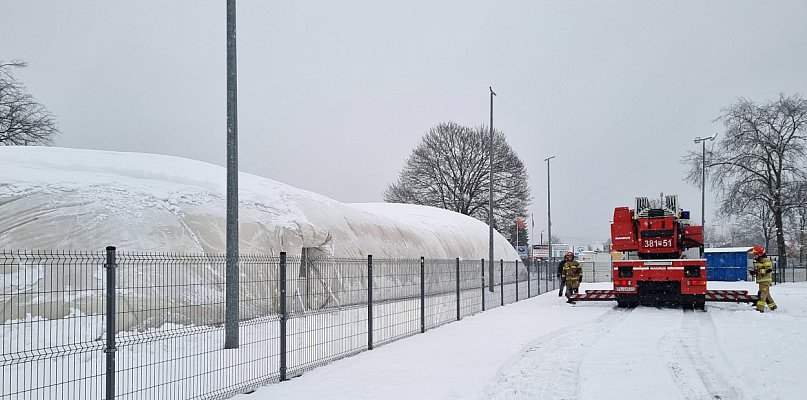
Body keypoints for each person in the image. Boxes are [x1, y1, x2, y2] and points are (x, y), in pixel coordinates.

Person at [749, 246, 777, 313]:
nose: (754, 256)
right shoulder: (759, 260)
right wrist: (754, 272)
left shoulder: (765, 260)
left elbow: (769, 270)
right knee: (766, 293)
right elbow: (759, 270)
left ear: (760, 254)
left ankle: (760, 309)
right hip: (762, 280)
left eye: (755, 254)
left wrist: (757, 272)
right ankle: (773, 306)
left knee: (762, 294)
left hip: (765, 280)